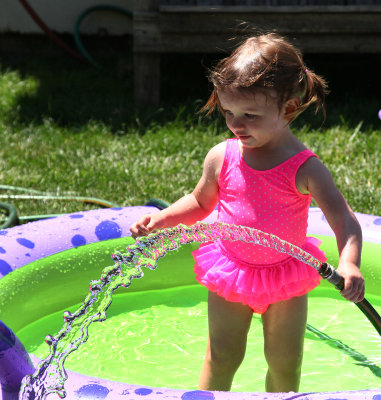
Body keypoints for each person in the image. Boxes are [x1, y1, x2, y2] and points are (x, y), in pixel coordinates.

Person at [130, 33, 364, 393]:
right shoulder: (223, 156)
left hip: (285, 278)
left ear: (288, 108)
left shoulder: (305, 168)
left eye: (250, 115)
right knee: (221, 357)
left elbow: (344, 220)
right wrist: (161, 220)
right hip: (231, 272)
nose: (236, 125)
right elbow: (199, 201)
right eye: (228, 112)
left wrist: (349, 262)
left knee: (285, 363)